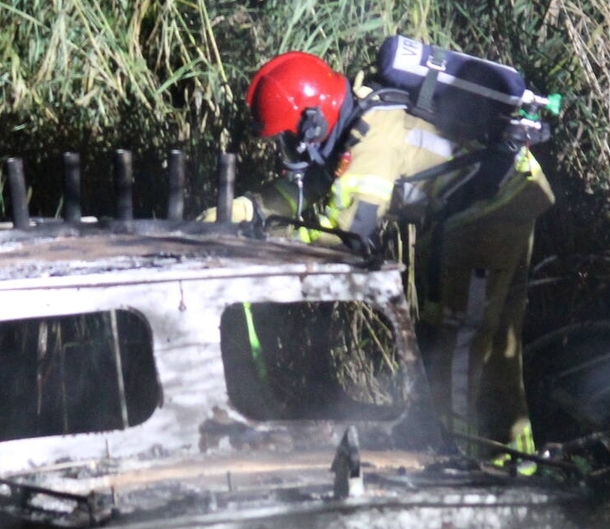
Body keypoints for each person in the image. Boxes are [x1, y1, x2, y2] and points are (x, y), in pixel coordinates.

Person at [237, 49, 555, 458]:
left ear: (312, 120)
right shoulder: (363, 110)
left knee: (461, 340)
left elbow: (350, 234)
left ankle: (454, 459)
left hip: (489, 212)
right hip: (512, 191)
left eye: (288, 136)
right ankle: (517, 462)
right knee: (496, 345)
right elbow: (311, 185)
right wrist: (247, 207)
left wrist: (272, 238)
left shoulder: (372, 141)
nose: (289, 146)